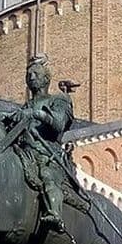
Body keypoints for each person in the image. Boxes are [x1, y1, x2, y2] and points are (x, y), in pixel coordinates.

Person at [10, 54, 74, 233]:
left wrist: (36, 114)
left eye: (35, 74)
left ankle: (55, 214)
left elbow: (59, 123)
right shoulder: (25, 106)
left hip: (47, 155)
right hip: (24, 152)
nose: (31, 77)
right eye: (28, 74)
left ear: (46, 79)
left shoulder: (58, 100)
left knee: (46, 175)